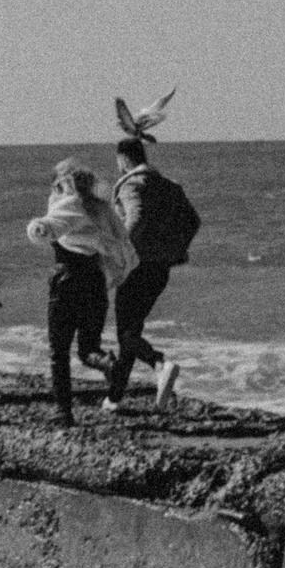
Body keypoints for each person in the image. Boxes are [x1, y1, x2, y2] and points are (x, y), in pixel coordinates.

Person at [26, 159, 135, 425]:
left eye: (56, 182)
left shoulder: (69, 204)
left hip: (67, 280)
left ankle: (63, 412)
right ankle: (111, 365)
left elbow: (50, 226)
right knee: (88, 348)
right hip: (95, 281)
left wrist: (37, 228)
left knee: (59, 351)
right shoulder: (103, 209)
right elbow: (122, 241)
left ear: (64, 183)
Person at [106, 136, 201, 411]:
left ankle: (159, 364)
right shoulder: (170, 186)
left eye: (118, 161)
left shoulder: (133, 184)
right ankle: (114, 397)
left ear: (123, 159)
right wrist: (174, 250)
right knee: (131, 331)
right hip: (160, 269)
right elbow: (193, 221)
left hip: (136, 268)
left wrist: (120, 252)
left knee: (126, 331)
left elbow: (135, 218)